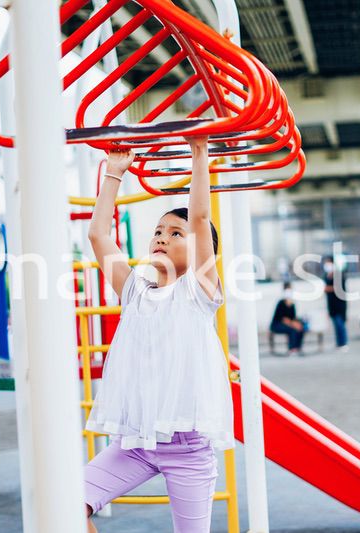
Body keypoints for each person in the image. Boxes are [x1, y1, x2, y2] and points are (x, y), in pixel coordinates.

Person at [83, 137, 232, 533]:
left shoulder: (198, 291)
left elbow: (200, 221)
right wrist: (115, 171)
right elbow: (98, 235)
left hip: (187, 449)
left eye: (175, 233)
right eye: (159, 231)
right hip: (136, 443)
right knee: (67, 507)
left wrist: (199, 153)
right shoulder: (135, 291)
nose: (162, 237)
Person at [270, 282, 306, 356]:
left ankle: (298, 347)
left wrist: (298, 324)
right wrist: (293, 324)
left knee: (301, 328)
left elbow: (293, 317)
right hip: (277, 325)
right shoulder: (281, 303)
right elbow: (282, 319)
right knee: (292, 330)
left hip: (289, 323)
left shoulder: (292, 304)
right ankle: (292, 349)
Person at [323, 256, 348, 352]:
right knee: (336, 325)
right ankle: (339, 343)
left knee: (340, 324)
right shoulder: (326, 276)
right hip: (331, 305)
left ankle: (344, 343)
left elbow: (339, 288)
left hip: (340, 305)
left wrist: (328, 289)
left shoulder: (339, 275)